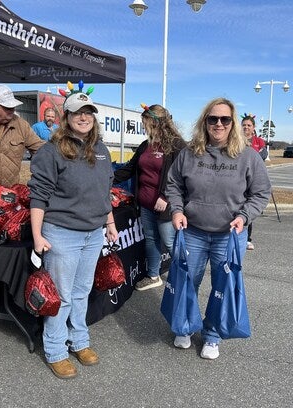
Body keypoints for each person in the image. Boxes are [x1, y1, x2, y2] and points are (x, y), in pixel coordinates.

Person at [166, 97, 271, 360]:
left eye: (225, 119)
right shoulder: (189, 153)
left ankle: (212, 334)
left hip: (230, 236)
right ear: (205, 122)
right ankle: (187, 326)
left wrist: (245, 217)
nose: (219, 124)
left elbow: (260, 193)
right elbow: (173, 185)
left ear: (233, 123)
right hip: (193, 232)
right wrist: (176, 210)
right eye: (213, 119)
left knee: (222, 285)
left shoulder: (248, 156)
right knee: (188, 280)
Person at [28, 87, 118, 379]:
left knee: (81, 292)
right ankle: (55, 351)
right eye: (77, 112)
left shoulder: (101, 149)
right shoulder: (51, 150)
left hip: (93, 232)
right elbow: (38, 195)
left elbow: (104, 193)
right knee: (63, 296)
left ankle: (79, 341)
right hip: (62, 233)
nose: (83, 117)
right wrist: (38, 236)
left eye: (88, 112)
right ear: (66, 117)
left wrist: (110, 224)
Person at [113, 104, 186, 290]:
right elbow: (130, 168)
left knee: (170, 242)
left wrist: (165, 196)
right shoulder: (146, 145)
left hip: (166, 206)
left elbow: (181, 175)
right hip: (145, 203)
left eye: (146, 123)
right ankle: (154, 275)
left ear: (157, 123)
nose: (144, 126)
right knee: (151, 239)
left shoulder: (177, 145)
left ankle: (187, 276)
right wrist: (106, 180)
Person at [241, 113, 267, 250]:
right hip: (239, 179)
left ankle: (247, 238)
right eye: (244, 125)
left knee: (248, 208)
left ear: (253, 127)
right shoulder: (236, 140)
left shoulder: (259, 141)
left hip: (253, 178)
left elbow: (263, 155)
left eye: (249, 125)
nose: (246, 127)